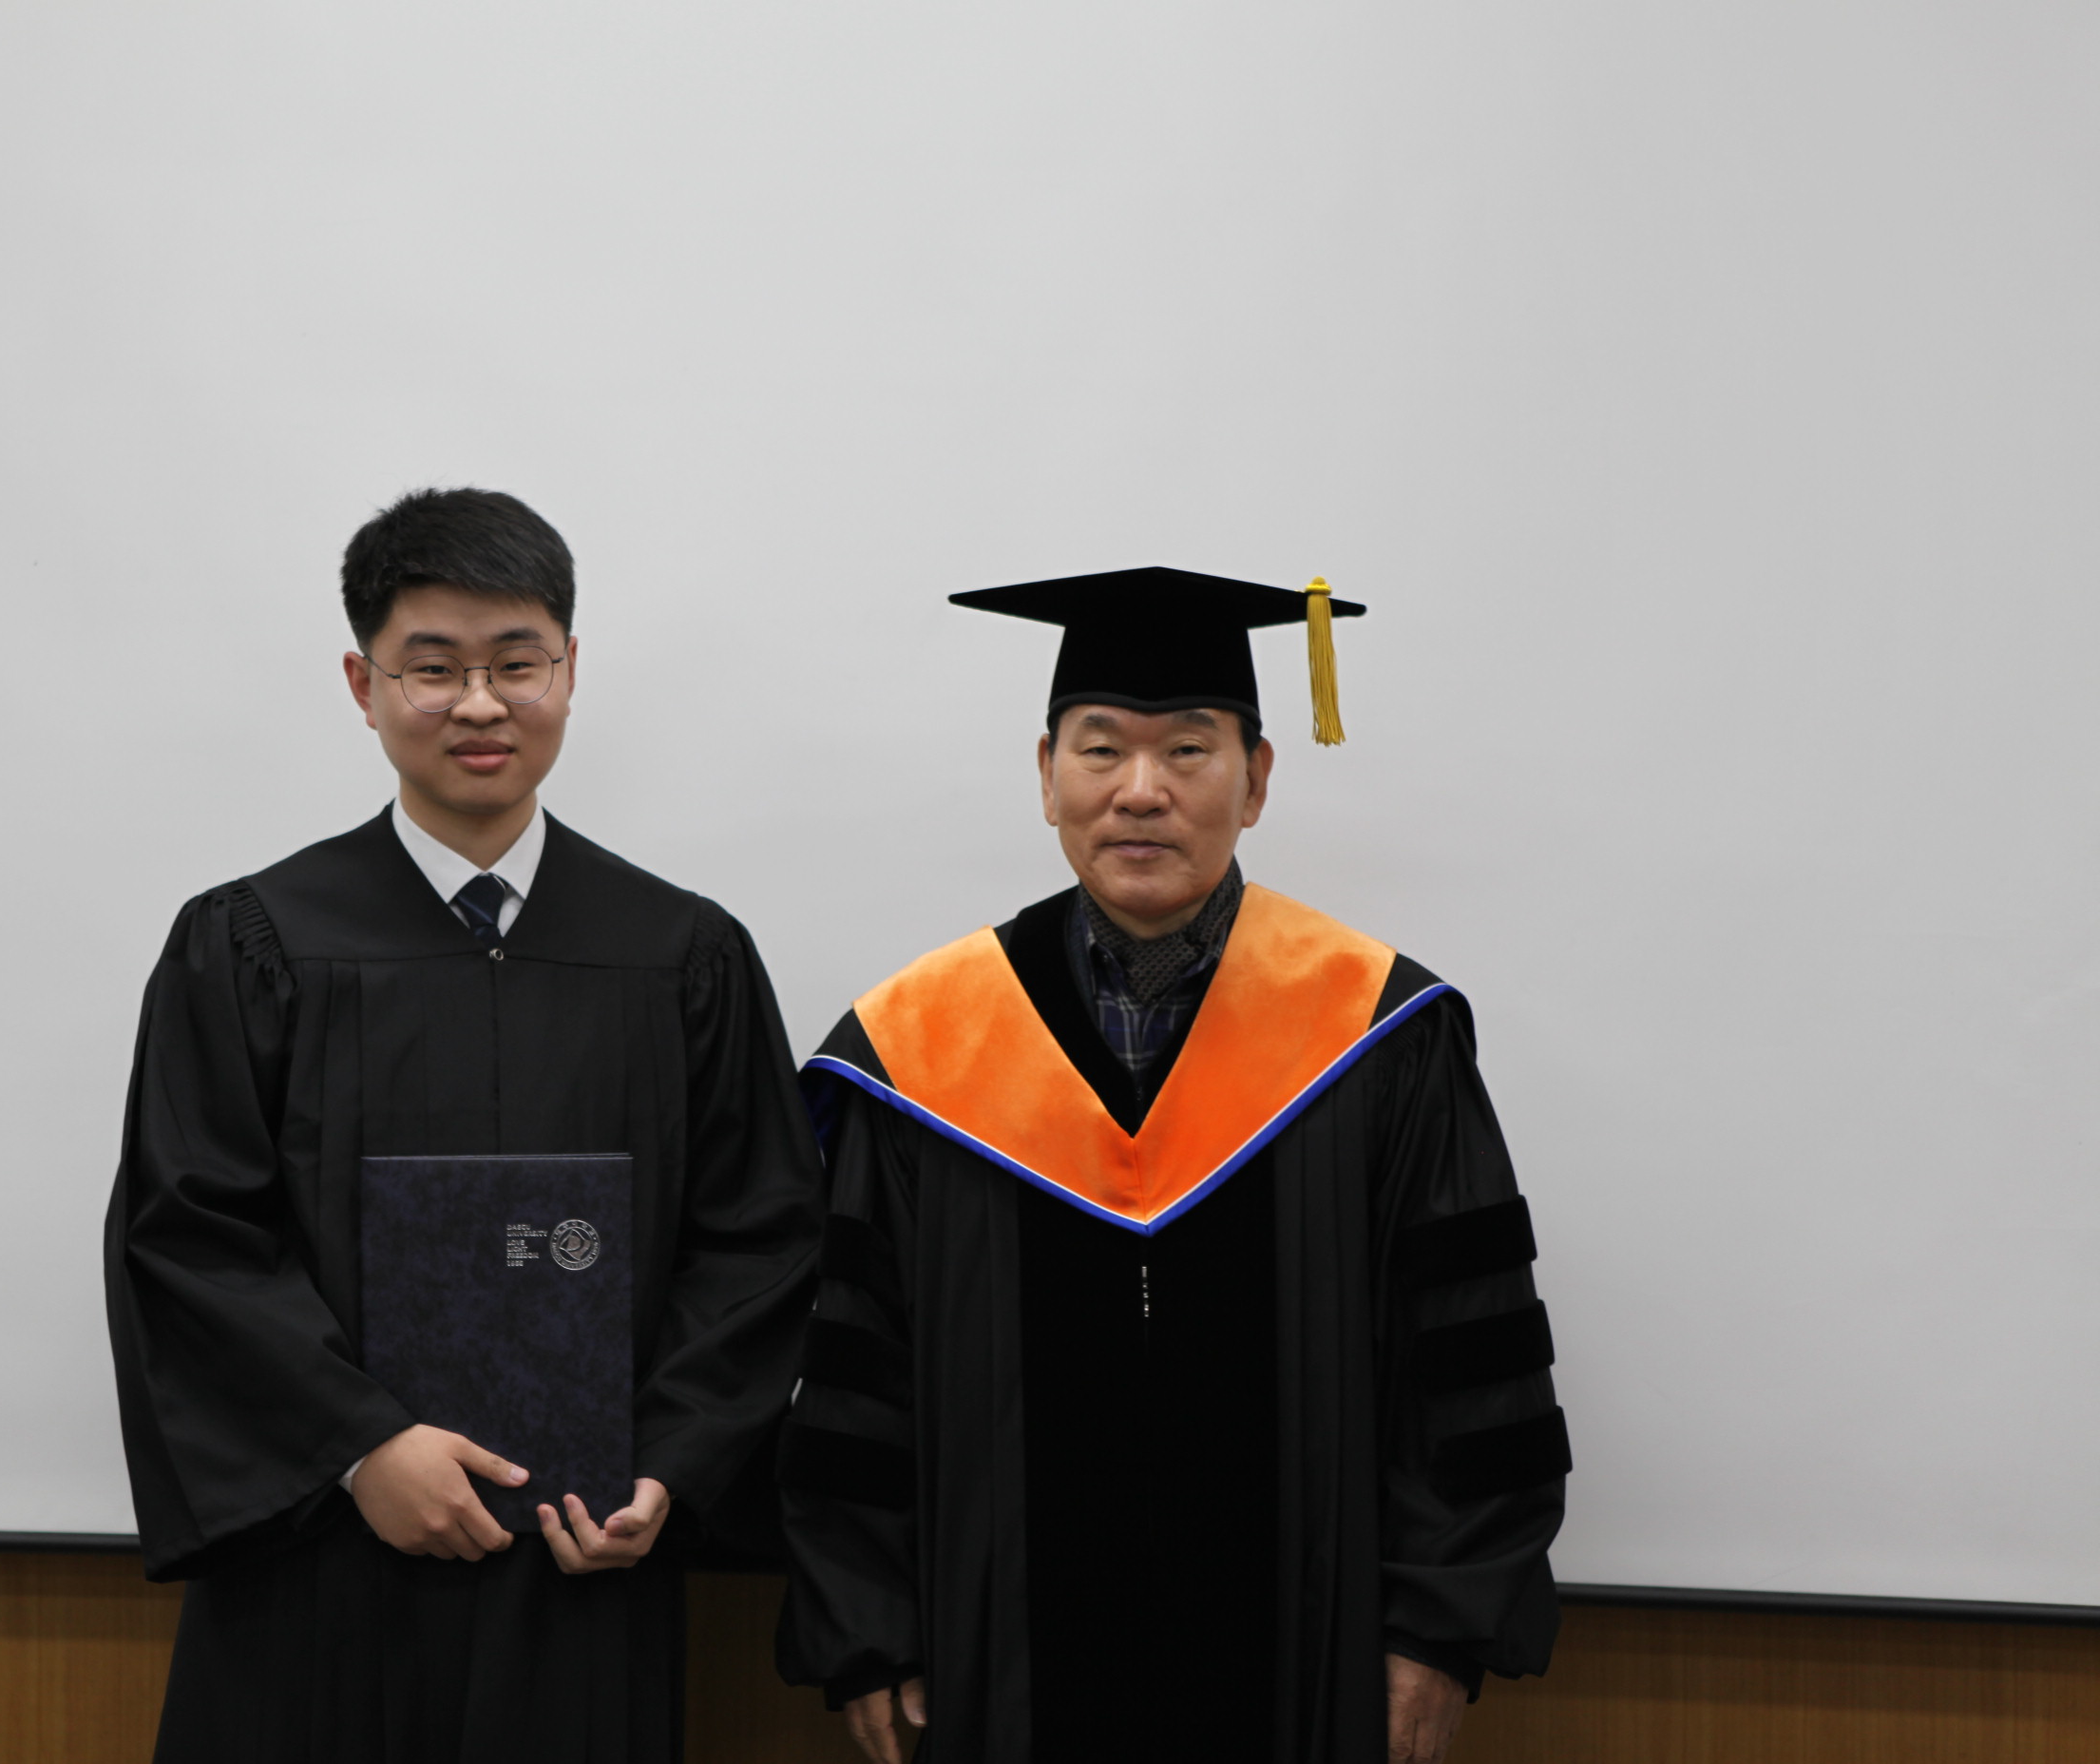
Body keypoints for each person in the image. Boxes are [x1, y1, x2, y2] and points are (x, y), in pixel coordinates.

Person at [775, 567, 1567, 1764]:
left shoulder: (1379, 1034)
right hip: (1001, 1665)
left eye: (1188, 750)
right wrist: (868, 1627)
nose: (1140, 789)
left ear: (1256, 779)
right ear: (1046, 774)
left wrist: (1438, 1630)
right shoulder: (922, 1049)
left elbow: (1463, 1366)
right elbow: (856, 1371)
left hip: (1308, 1659)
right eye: (1101, 749)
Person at [105, 488, 823, 1763]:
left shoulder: (682, 954)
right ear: (363, 683)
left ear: (569, 669)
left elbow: (758, 1238)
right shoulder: (252, 942)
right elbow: (190, 1233)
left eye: (515, 663)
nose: (480, 705)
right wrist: (361, 1447)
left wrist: (667, 1464)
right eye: (432, 668)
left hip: (584, 1561)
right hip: (322, 1565)